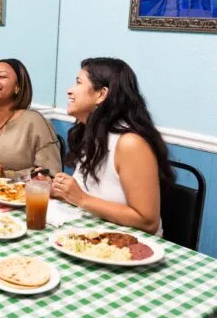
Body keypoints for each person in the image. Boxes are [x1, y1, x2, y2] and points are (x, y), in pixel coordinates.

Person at [46, 57, 174, 235]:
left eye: (78, 83)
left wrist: (81, 198)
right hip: (91, 235)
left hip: (131, 246)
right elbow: (91, 197)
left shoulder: (130, 143)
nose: (69, 90)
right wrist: (59, 191)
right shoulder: (90, 133)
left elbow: (148, 221)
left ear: (101, 94)